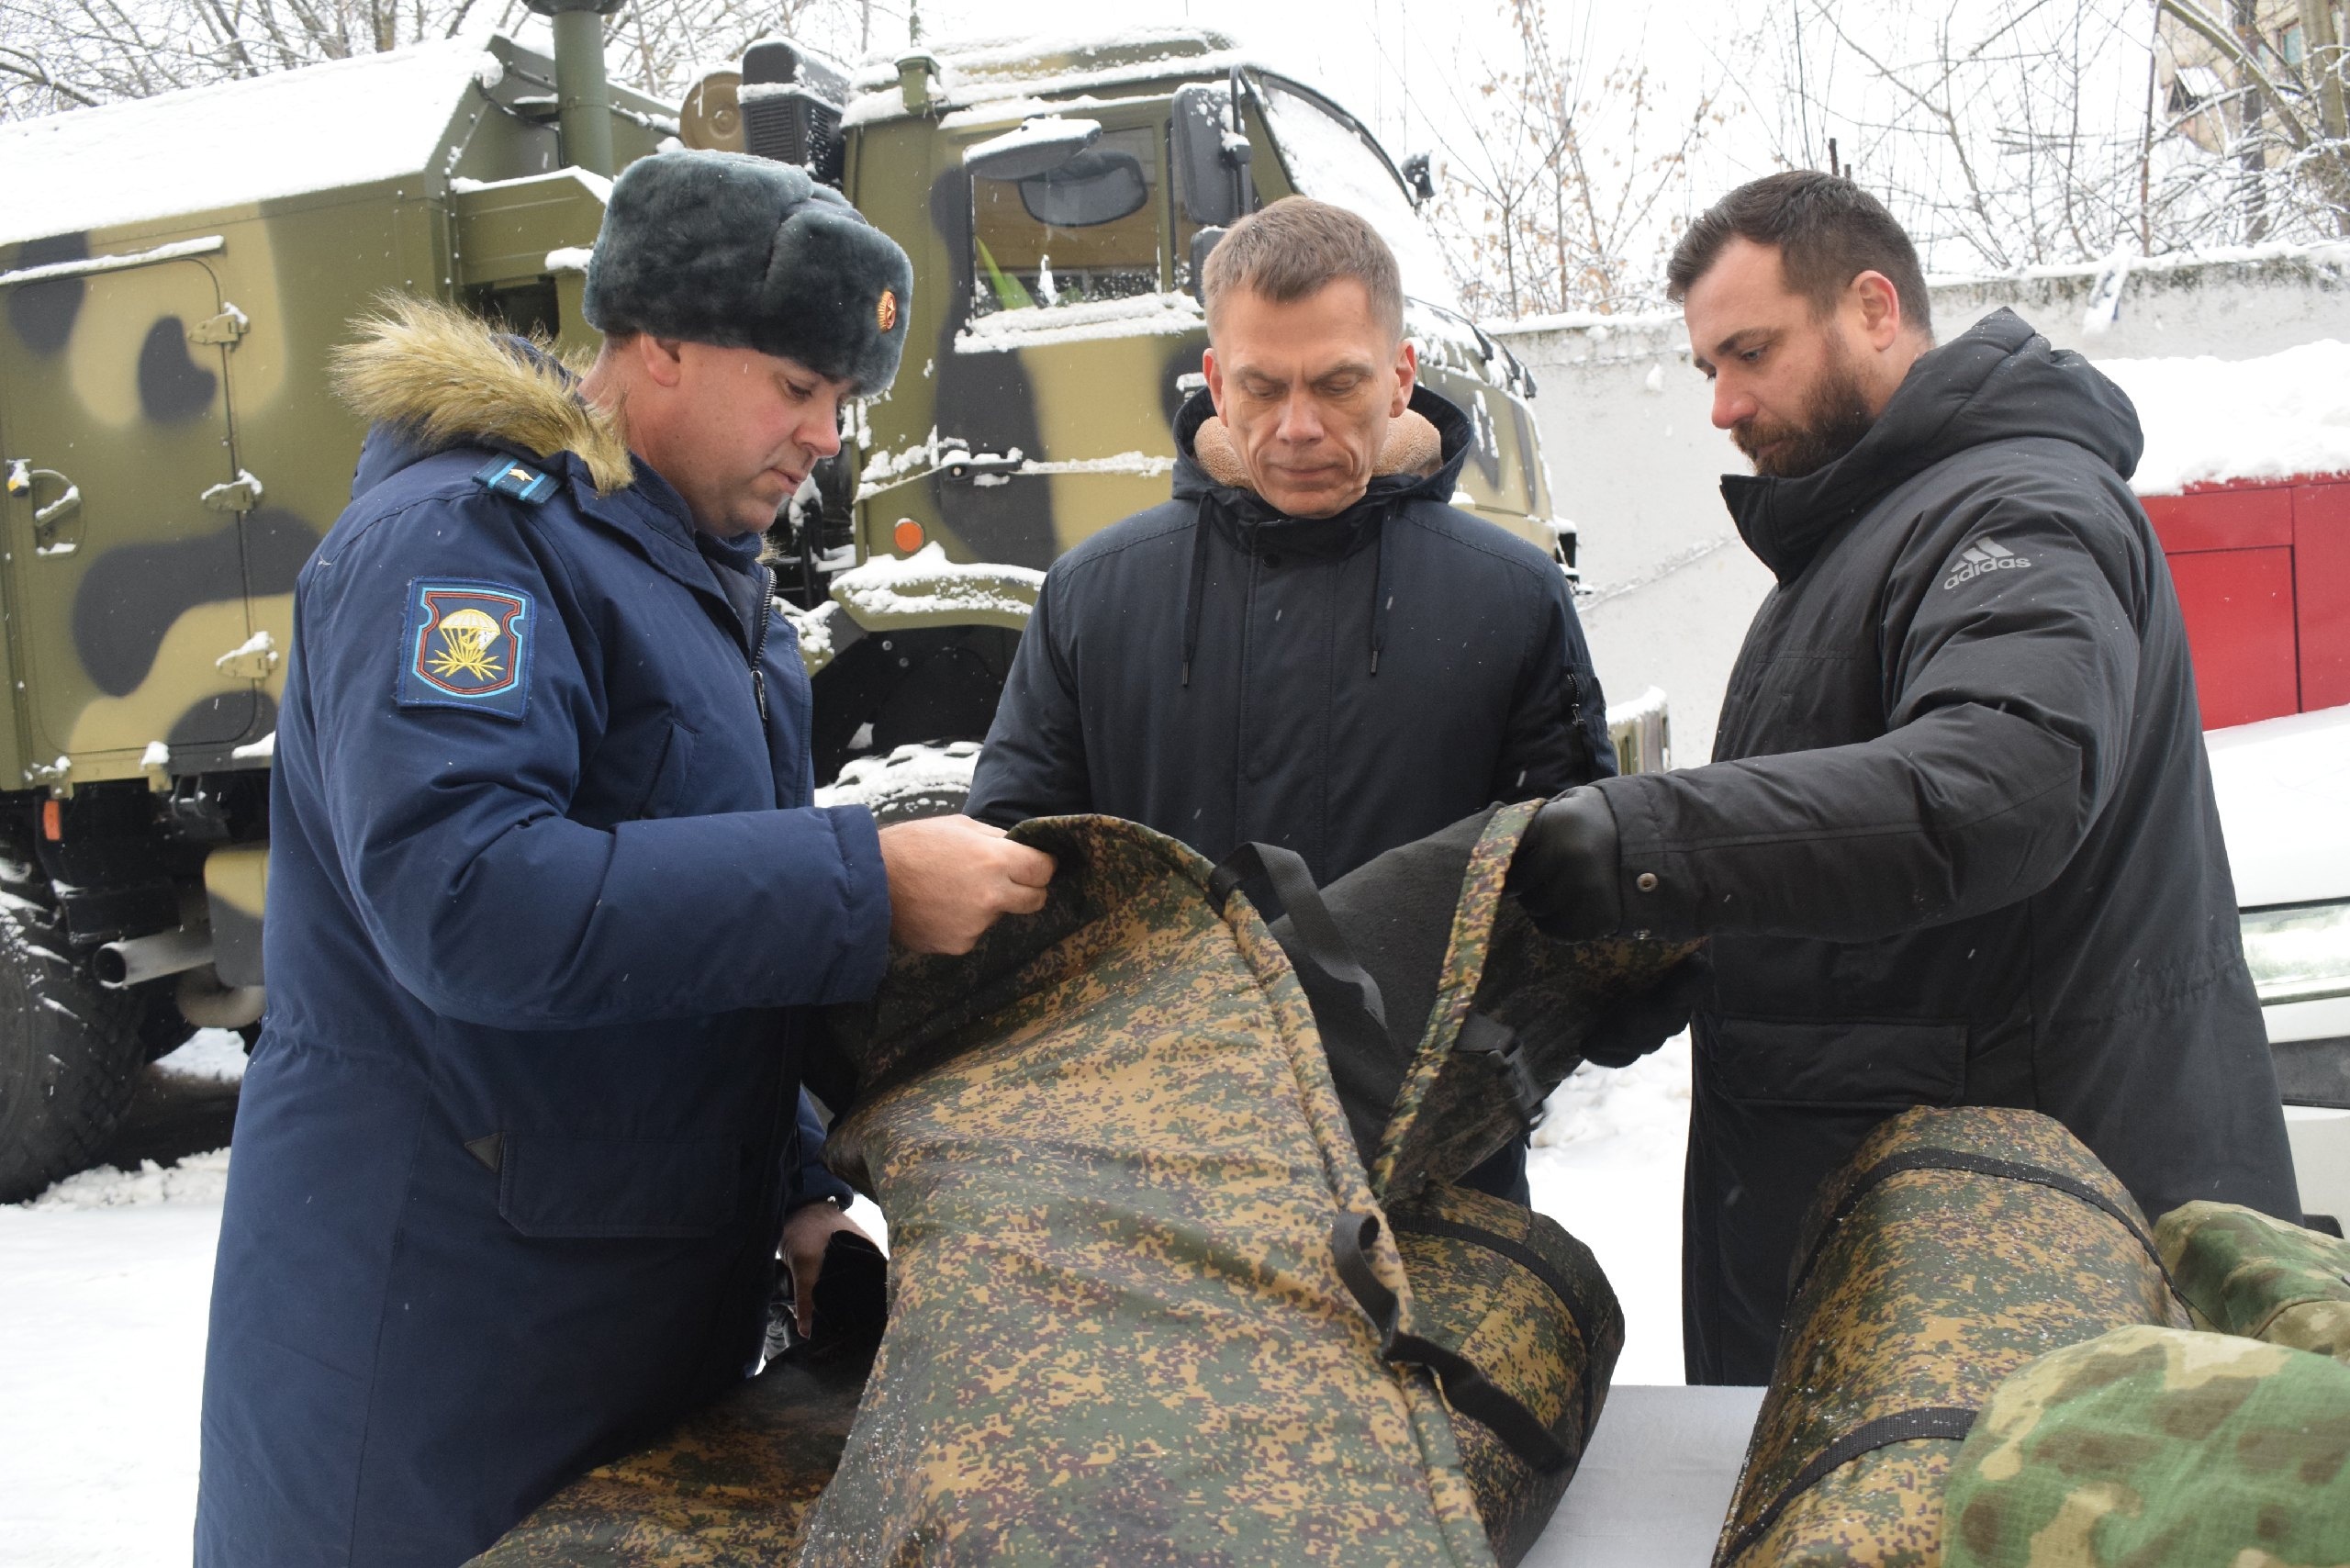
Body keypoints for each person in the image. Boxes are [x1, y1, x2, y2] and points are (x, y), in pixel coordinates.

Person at [195, 151, 1054, 1567]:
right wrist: (870, 884)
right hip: (444, 1348)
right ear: (656, 341)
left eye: (843, 400)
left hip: (621, 1325)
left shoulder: (709, 589)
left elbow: (696, 965)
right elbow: (468, 900)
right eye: (796, 387)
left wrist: (788, 1188)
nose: (828, 435)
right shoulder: (462, 545)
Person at [1506, 171, 2300, 1384]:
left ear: (1874, 309)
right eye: (1706, 367)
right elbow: (1840, 865)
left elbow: (2000, 789)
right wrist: (1662, 957)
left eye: (1750, 352)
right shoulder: (1883, 530)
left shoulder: (2016, 506)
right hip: (1911, 1265)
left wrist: (1648, 840)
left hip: (2010, 1291)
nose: (1721, 404)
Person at [968, 196, 1644, 1204]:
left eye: (1337, 385)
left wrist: (1480, 1073)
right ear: (1212, 381)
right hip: (1167, 1181)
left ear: (1401, 378)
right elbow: (1012, 874)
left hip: (1433, 1178)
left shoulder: (1508, 596)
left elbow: (1576, 903)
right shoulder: (1094, 593)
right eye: (1261, 387)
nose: (1296, 427)